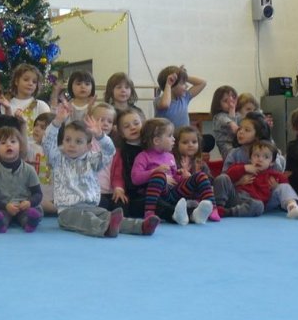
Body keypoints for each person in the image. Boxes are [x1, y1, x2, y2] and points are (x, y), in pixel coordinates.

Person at [42, 100, 123, 238]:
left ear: (89, 146)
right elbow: (47, 143)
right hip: (67, 211)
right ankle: (105, 228)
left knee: (109, 216)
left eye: (78, 141)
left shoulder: (92, 160)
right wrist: (57, 122)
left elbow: (110, 152)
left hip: (91, 207)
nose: (71, 145)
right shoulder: (57, 159)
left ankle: (140, 226)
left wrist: (101, 136)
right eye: (67, 140)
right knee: (87, 220)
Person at [92, 103, 161, 235]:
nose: (104, 123)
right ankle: (111, 224)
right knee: (104, 208)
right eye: (100, 120)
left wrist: (118, 188)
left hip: (119, 192)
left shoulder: (118, 150)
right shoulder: (87, 144)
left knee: (124, 208)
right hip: (97, 193)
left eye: (109, 121)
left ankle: (126, 224)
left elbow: (118, 173)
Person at [132, 118, 214, 225]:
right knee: (159, 175)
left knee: (199, 176)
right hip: (158, 195)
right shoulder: (143, 156)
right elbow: (135, 178)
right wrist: (155, 172)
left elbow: (174, 177)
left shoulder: (170, 156)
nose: (173, 139)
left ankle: (204, 210)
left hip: (173, 192)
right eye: (170, 136)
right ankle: (150, 212)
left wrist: (181, 176)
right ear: (157, 141)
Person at [221, 141, 298, 219]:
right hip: (241, 199)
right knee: (255, 205)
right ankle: (227, 211)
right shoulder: (244, 169)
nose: (260, 159)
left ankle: (292, 207)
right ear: (250, 158)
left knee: (282, 188)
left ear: (271, 162)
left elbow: (286, 185)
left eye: (266, 157)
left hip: (263, 203)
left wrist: (276, 186)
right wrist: (244, 169)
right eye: (256, 156)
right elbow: (228, 175)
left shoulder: (273, 175)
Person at [0, 126, 42, 233]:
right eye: (3, 143)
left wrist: (29, 202)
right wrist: (5, 206)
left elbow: (38, 194)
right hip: (3, 207)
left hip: (24, 206)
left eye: (13, 141)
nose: (8, 144)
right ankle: (0, 223)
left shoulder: (29, 170)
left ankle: (29, 222)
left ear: (20, 146)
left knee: (29, 213)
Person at [6, 63, 51, 139]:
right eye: (26, 80)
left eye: (34, 82)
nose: (30, 83)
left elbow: (48, 132)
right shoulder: (7, 105)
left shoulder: (41, 106)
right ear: (16, 81)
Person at [27, 112, 55, 215]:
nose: (37, 129)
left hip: (51, 195)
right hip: (34, 195)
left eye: (42, 127)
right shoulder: (30, 147)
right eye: (36, 125)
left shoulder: (58, 151)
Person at [210, 85, 239, 159]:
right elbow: (234, 128)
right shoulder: (219, 117)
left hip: (237, 145)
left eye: (233, 98)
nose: (231, 103)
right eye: (226, 101)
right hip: (228, 150)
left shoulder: (238, 114)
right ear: (219, 105)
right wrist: (232, 109)